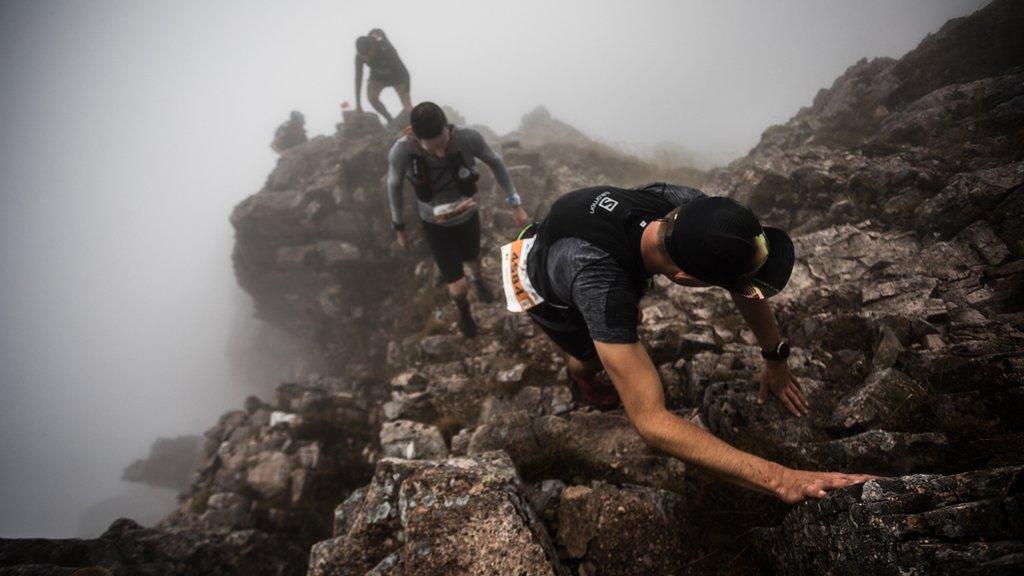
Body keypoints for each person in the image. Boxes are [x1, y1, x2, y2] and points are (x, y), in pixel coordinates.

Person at [499, 182, 874, 503]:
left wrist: (775, 356)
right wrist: (782, 478)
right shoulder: (603, 284)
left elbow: (744, 283)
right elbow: (651, 421)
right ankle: (582, 374)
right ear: (686, 278)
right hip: (544, 286)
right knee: (589, 354)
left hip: (573, 235)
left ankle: (607, 338)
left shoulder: (688, 209)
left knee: (618, 320)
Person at [388, 102, 528, 338]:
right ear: (415, 136)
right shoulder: (402, 151)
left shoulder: (467, 138)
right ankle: (464, 311)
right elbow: (393, 185)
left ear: (447, 127)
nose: (440, 153)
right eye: (431, 149)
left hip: (468, 215)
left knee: (473, 256)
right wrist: (399, 227)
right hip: (435, 225)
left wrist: (516, 204)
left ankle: (478, 280)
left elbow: (496, 162)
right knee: (457, 284)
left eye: (442, 145)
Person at [354, 28, 412, 123]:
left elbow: (403, 70)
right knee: (371, 98)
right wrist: (358, 104)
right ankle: (390, 120)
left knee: (408, 107)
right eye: (364, 56)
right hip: (377, 77)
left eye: (368, 54)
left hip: (397, 76)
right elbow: (358, 78)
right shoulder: (360, 56)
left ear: (373, 46)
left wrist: (406, 92)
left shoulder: (385, 47)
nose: (367, 58)